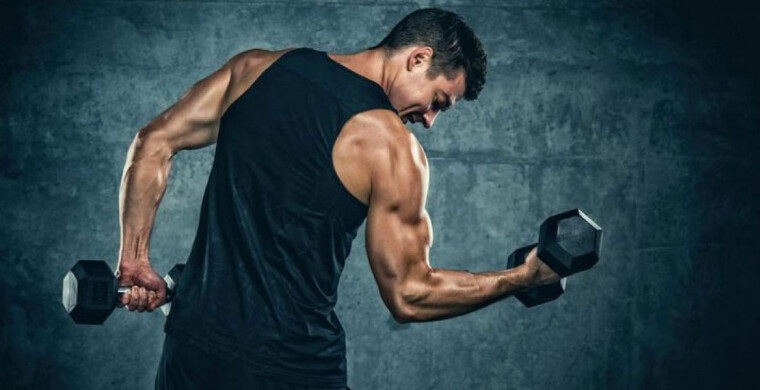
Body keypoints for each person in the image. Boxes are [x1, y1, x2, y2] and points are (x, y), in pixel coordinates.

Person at [114, 7, 561, 390]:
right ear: (418, 58)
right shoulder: (390, 146)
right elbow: (410, 294)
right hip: (289, 366)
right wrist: (519, 278)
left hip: (191, 349)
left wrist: (134, 259)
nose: (429, 120)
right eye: (438, 101)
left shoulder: (255, 69)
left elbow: (152, 141)